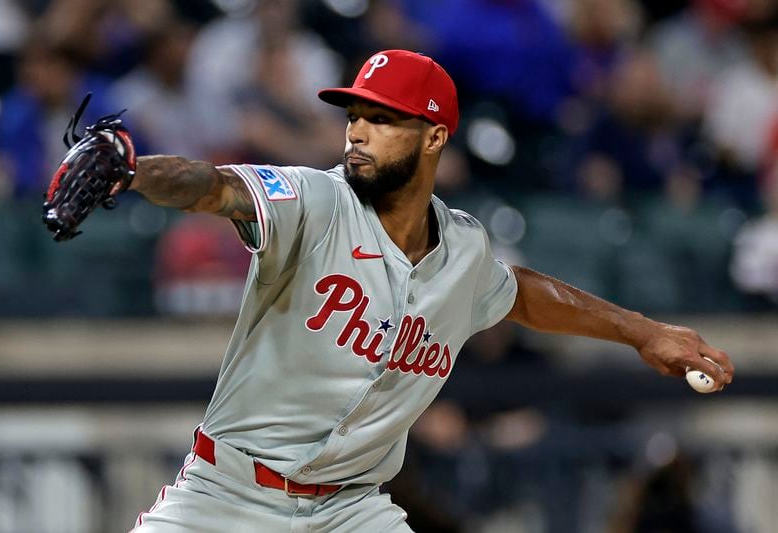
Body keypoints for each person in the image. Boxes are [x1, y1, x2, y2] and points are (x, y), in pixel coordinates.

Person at [125, 50, 733, 532]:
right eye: (354, 115)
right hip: (227, 495)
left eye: (382, 119)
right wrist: (130, 172)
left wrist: (646, 333)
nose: (357, 132)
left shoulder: (463, 251)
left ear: (434, 137)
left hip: (350, 510)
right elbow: (214, 186)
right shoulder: (315, 199)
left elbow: (519, 294)